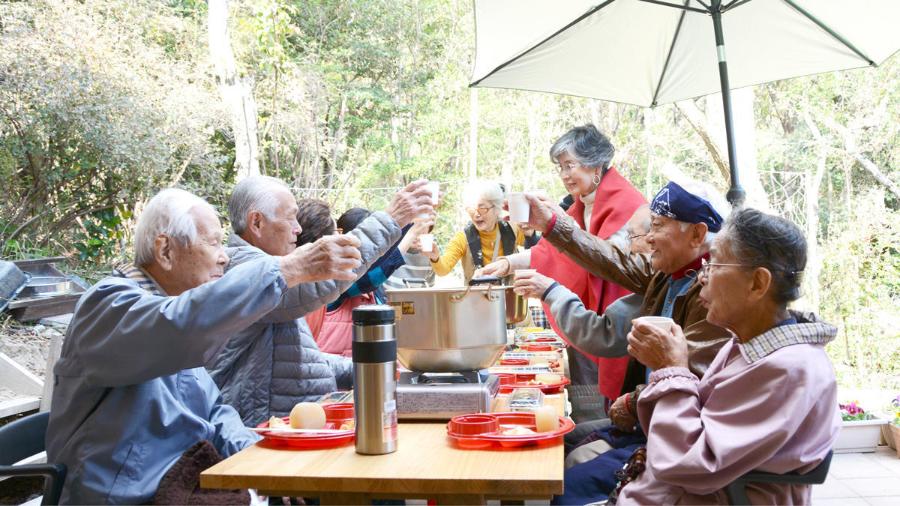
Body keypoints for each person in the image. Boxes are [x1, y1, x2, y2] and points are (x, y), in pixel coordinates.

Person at [45, 188, 364, 504]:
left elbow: (214, 412)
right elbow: (179, 325)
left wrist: (257, 460)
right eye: (212, 243)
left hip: (183, 483)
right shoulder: (108, 306)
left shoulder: (177, 312)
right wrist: (288, 268)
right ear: (166, 251)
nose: (224, 256)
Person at [518, 179, 734, 505]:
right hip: (646, 420)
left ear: (698, 235)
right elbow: (611, 260)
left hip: (666, 435)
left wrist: (634, 402)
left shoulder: (711, 295)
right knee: (551, 444)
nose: (647, 238)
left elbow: (696, 384)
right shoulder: (668, 273)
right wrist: (552, 224)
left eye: (658, 226)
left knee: (564, 485)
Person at [615, 208, 839, 504]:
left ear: (757, 284)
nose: (700, 279)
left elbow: (686, 465)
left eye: (714, 264)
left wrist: (671, 369)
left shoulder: (790, 370)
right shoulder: (746, 344)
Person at [207, 176, 434, 426]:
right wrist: (391, 219)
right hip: (260, 438)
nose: (298, 228)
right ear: (257, 222)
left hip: (294, 431)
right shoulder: (243, 268)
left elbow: (297, 357)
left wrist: (357, 368)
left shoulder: (271, 273)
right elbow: (325, 280)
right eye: (290, 217)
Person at [477, 124, 645, 402]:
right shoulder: (583, 204)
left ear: (595, 165)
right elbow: (554, 253)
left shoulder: (624, 202)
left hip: (619, 321)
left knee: (608, 400)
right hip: (593, 316)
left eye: (570, 165)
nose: (565, 176)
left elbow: (603, 261)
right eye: (561, 167)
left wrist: (555, 223)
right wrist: (507, 264)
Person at [316, 207, 429, 356]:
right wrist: (412, 232)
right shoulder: (333, 280)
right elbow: (376, 274)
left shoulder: (377, 292)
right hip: (336, 374)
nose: (373, 254)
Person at [426, 180, 535, 283]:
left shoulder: (512, 228)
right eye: (472, 209)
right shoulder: (463, 238)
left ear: (496, 209)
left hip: (508, 297)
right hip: (476, 300)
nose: (476, 214)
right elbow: (443, 269)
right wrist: (435, 257)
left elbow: (535, 251)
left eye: (482, 208)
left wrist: (530, 233)